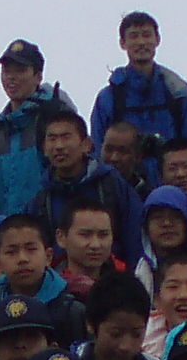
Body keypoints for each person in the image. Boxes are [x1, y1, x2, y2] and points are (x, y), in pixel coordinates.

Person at [88, 11, 187, 176]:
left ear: (158, 39)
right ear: (122, 43)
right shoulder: (109, 97)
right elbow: (98, 150)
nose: (141, 42)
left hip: (173, 185)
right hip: (124, 187)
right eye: (134, 36)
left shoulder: (177, 92)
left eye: (147, 35)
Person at [37, 106, 140, 269]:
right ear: (43, 148)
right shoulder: (42, 198)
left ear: (86, 144)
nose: (59, 146)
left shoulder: (110, 184)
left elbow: (134, 237)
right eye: (52, 139)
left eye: (66, 137)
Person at [0, 39, 68, 222]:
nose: (11, 77)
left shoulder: (51, 116)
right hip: (3, 233)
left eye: (20, 70)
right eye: (6, 71)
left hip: (45, 230)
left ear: (38, 76)